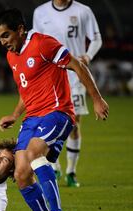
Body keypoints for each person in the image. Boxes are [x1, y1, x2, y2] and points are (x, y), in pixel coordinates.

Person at [0, 8, 108, 211]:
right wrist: (15, 115)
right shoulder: (12, 56)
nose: (3, 42)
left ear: (20, 30)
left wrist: (96, 98)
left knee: (35, 152)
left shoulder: (43, 44)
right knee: (22, 173)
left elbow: (77, 65)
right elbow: (26, 89)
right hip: (31, 118)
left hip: (58, 112)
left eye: (6, 35)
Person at [33, 0, 103, 187]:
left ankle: (71, 171)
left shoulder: (83, 11)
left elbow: (96, 38)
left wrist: (87, 56)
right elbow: (34, 41)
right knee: (49, 121)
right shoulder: (40, 12)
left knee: (73, 124)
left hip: (74, 76)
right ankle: (54, 167)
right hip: (49, 77)